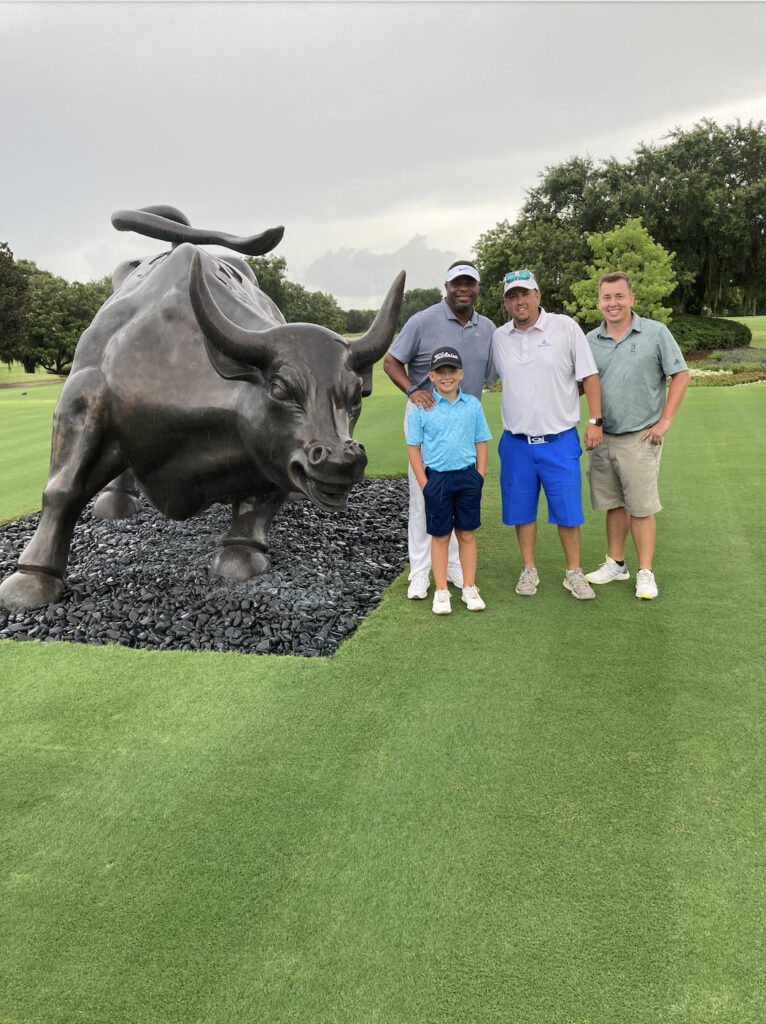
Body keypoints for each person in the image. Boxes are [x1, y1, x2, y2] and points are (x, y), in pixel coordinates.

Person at [383, 261, 495, 600]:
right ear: (446, 286)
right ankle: (420, 573)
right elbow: (391, 361)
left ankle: (452, 566)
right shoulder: (422, 320)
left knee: (459, 496)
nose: (463, 289)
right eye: (456, 283)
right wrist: (411, 390)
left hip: (464, 416)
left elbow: (491, 376)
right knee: (425, 497)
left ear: (477, 288)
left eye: (469, 283)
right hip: (426, 413)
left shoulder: (487, 327)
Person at [490, 269, 603, 600]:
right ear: (506, 303)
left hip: (559, 440)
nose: (519, 301)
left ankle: (574, 572)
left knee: (568, 511)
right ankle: (529, 569)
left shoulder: (565, 328)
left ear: (538, 296)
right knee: (521, 511)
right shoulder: (499, 337)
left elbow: (590, 376)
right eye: (512, 296)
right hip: (516, 443)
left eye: (525, 294)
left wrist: (595, 420)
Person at [584, 272, 689, 599]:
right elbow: (579, 384)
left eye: (618, 296)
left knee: (641, 507)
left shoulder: (655, 333)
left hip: (641, 437)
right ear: (599, 301)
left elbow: (681, 374)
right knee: (614, 504)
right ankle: (616, 563)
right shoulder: (590, 340)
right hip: (603, 437)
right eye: (606, 297)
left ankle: (646, 571)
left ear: (631, 299)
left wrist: (665, 421)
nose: (612, 303)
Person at [406, 347, 491, 614]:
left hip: (467, 476)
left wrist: (479, 475)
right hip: (437, 479)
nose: (446, 377)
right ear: (431, 376)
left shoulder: (472, 405)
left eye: (451, 372)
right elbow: (414, 448)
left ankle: (468, 587)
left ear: (461, 374)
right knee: (440, 536)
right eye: (440, 372)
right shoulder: (422, 407)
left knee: (466, 534)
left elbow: (481, 442)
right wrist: (424, 484)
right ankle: (441, 591)